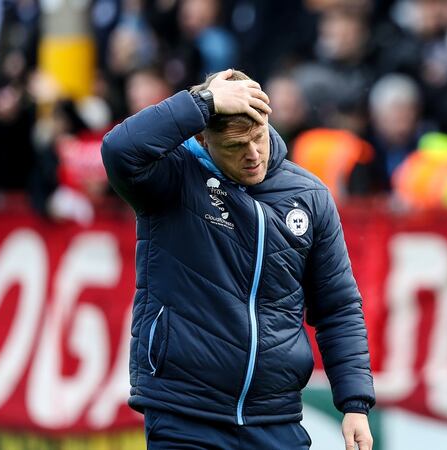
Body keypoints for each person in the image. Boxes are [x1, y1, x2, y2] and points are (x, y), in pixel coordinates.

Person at [100, 68, 375, 449]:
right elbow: (118, 150)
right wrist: (202, 103)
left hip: (276, 416)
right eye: (234, 146)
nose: (252, 155)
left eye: (258, 137)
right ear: (203, 138)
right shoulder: (172, 178)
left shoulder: (310, 196)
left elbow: (338, 307)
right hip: (185, 413)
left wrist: (355, 403)